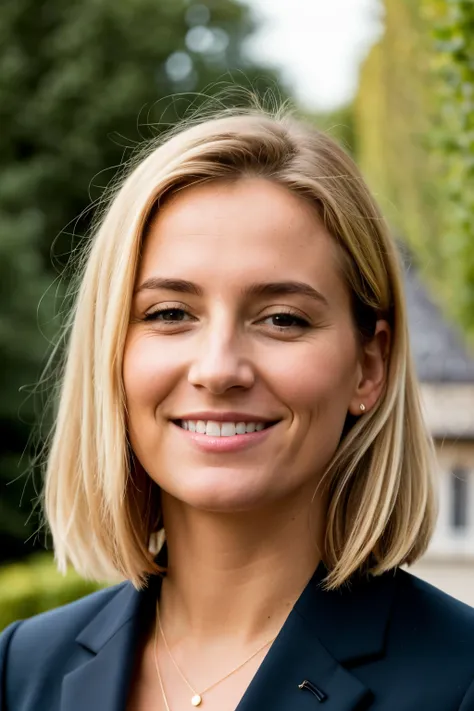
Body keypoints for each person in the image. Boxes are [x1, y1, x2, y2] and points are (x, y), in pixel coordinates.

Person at [1, 104, 474, 711]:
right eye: (170, 313)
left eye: (282, 319)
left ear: (369, 366)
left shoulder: (459, 681)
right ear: (111, 354)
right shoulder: (23, 670)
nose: (220, 369)